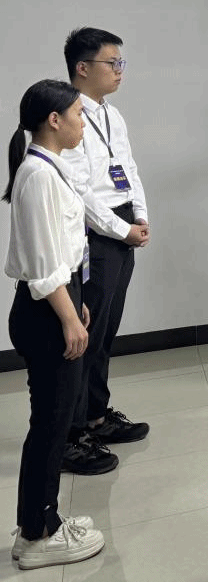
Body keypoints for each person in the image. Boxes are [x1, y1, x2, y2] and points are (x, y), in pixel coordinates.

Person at [5, 79, 107, 569]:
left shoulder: (49, 167)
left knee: (51, 421)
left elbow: (60, 253)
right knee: (50, 425)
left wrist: (76, 303)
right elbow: (44, 267)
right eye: (78, 114)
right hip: (46, 313)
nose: (82, 122)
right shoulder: (38, 175)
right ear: (54, 120)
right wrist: (69, 316)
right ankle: (38, 535)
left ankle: (38, 521)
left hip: (57, 303)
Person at [60, 27, 150, 477]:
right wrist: (120, 229)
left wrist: (140, 216)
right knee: (87, 335)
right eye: (112, 63)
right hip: (97, 236)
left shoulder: (112, 114)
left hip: (123, 226)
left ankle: (96, 415)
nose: (119, 71)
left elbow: (128, 168)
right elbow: (81, 192)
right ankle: (71, 433)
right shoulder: (67, 116)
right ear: (82, 67)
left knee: (107, 329)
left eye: (121, 63)